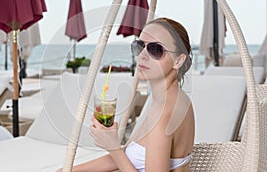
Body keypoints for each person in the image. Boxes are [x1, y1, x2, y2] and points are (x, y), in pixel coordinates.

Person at [56, 17, 195, 172]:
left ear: (178, 61)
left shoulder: (165, 109)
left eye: (155, 49)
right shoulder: (167, 98)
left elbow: (121, 156)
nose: (142, 55)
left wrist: (113, 147)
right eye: (139, 46)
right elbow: (130, 157)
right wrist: (67, 170)